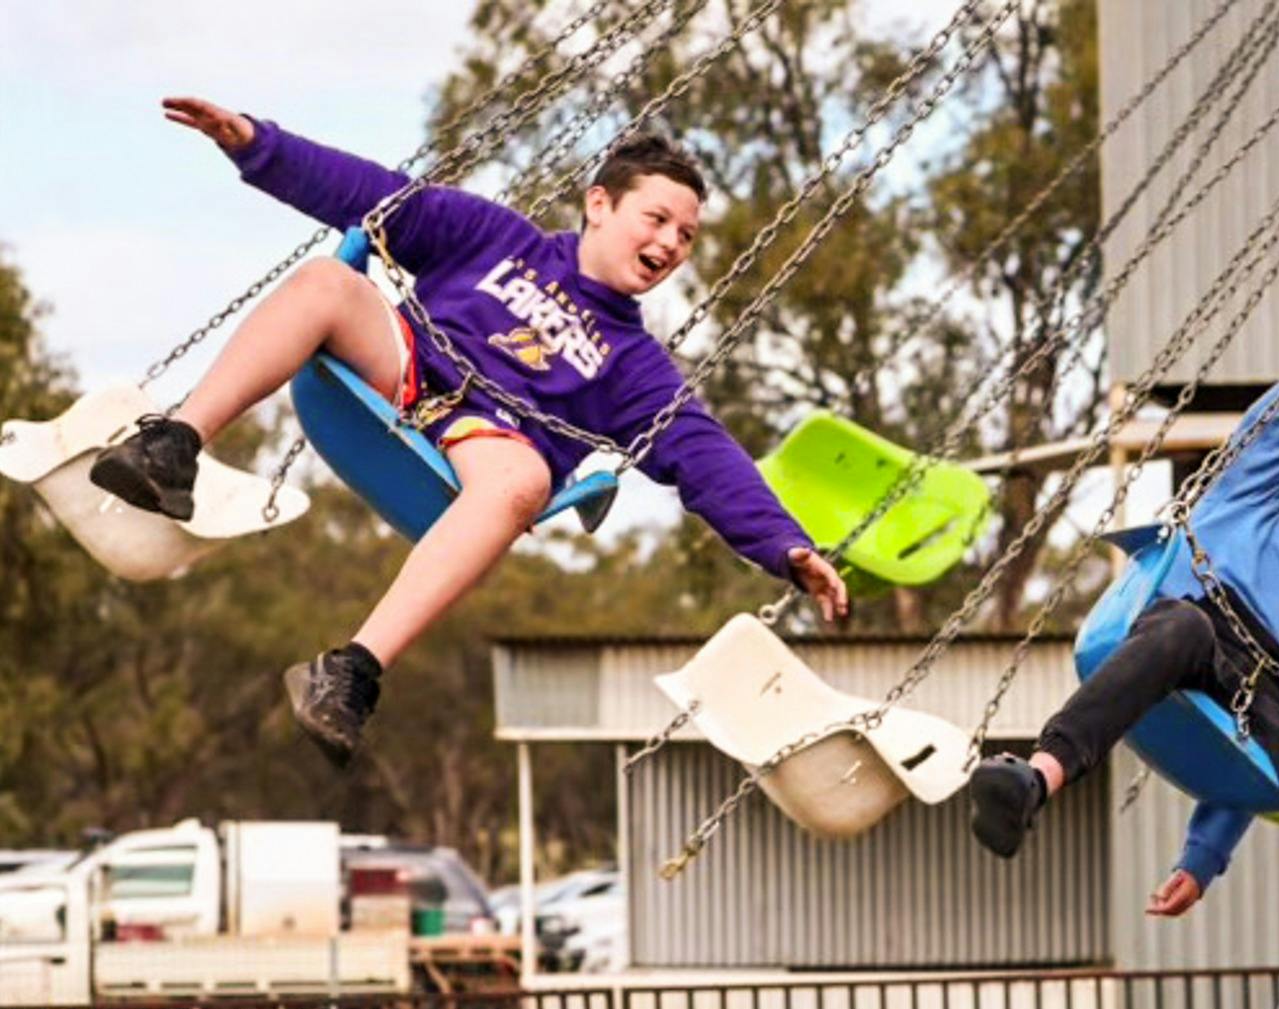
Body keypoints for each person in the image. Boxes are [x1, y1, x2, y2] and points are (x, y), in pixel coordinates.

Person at [91, 98, 848, 768]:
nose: (672, 244)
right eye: (657, 219)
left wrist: (785, 546)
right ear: (600, 205)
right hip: (399, 372)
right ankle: (173, 446)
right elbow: (373, 195)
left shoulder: (635, 366)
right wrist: (257, 145)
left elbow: (703, 455)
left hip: (480, 446)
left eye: (685, 235)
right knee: (327, 282)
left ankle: (350, 671)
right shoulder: (493, 237)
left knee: (524, 481)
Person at [965, 216, 1279, 1009]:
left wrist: (1203, 860)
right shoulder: (1241, 503)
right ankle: (1034, 780)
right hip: (1183, 633)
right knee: (1181, 626)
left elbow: (1258, 763)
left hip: (1252, 702)